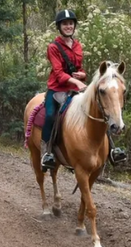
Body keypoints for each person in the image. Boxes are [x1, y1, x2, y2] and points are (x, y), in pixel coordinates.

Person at [41, 9, 88, 171]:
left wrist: (82, 74)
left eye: (70, 23)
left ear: (74, 26)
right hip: (57, 90)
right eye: (65, 24)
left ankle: (111, 149)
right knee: (49, 116)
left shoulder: (78, 46)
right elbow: (59, 74)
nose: (68, 26)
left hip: (75, 89)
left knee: (96, 111)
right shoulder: (53, 47)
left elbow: (80, 68)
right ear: (59, 26)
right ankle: (46, 152)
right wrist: (77, 81)